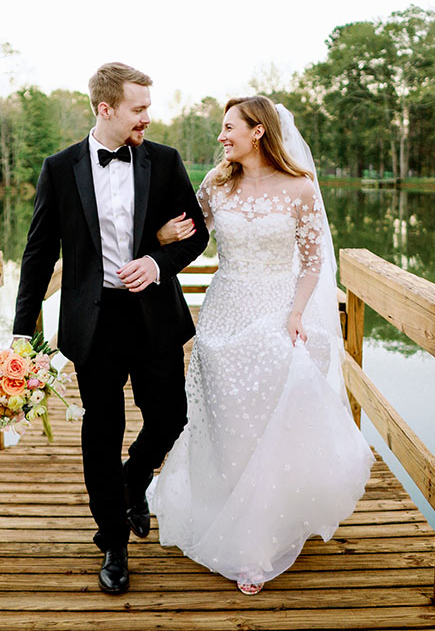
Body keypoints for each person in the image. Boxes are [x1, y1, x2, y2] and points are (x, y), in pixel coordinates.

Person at [147, 96, 375, 595]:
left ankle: (256, 540)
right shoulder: (215, 183)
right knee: (227, 420)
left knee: (266, 415)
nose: (222, 137)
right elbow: (190, 234)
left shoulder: (300, 189)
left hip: (275, 308)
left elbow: (314, 262)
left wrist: (296, 314)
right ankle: (219, 508)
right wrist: (160, 235)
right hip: (223, 308)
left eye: (229, 128)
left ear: (258, 132)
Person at [12, 62, 209, 594]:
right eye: (139, 108)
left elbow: (196, 236)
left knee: (171, 416)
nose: (148, 116)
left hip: (155, 318)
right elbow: (37, 254)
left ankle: (133, 481)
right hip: (93, 325)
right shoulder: (59, 168)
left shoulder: (164, 162)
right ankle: (114, 544)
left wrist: (156, 260)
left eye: (148, 106)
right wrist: (20, 332)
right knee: (101, 434)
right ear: (106, 109)